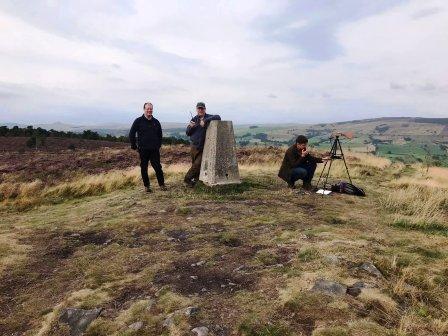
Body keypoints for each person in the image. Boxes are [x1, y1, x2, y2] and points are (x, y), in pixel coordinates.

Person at [129, 102, 166, 192]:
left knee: (158, 167)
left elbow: (160, 135)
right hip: (143, 149)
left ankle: (162, 185)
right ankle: (147, 186)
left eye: (151, 109)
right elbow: (131, 134)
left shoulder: (156, 122)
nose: (149, 110)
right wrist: (134, 146)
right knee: (144, 168)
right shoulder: (138, 121)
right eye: (147, 109)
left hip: (154, 149)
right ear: (144, 109)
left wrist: (158, 145)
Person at [184, 102, 221, 187]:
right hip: (193, 146)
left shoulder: (208, 117)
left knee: (197, 164)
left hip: (203, 146)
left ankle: (187, 179)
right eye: (199, 108)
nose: (200, 110)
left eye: (202, 108)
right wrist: (190, 127)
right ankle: (195, 182)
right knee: (195, 166)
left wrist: (205, 120)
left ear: (205, 109)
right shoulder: (194, 119)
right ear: (197, 109)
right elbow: (187, 133)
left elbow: (218, 117)